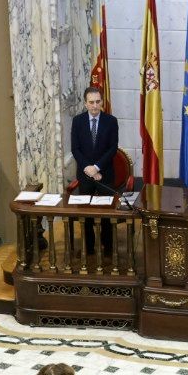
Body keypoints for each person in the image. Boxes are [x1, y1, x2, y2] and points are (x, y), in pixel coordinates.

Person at [70, 87, 119, 254]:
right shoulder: (77, 121)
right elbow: (75, 149)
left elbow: (112, 149)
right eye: (91, 102)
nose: (95, 106)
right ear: (85, 103)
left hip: (104, 174)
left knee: (106, 214)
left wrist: (97, 167)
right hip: (85, 176)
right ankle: (89, 247)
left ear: (102, 102)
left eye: (98, 102)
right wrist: (88, 169)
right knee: (86, 213)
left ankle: (108, 248)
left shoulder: (111, 121)